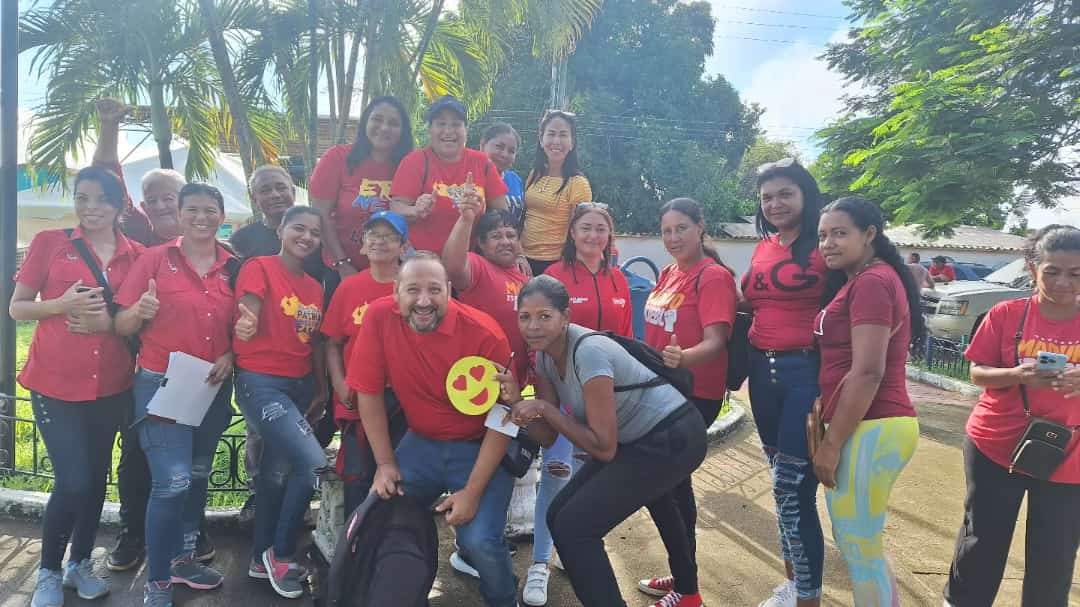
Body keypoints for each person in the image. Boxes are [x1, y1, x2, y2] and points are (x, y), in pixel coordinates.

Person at [499, 275, 708, 607]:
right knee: (558, 516)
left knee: (575, 527)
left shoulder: (589, 352)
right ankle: (687, 589)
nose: (533, 326)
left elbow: (603, 447)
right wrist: (514, 402)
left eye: (544, 316)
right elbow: (548, 436)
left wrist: (543, 408)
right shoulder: (543, 357)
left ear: (565, 317)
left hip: (673, 435)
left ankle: (685, 590)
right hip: (636, 439)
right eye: (525, 317)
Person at [346, 253, 519, 607]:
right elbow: (368, 392)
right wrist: (384, 464)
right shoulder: (379, 317)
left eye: (434, 290)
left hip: (478, 446)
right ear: (396, 293)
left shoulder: (484, 333)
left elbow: (505, 416)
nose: (423, 301)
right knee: (380, 515)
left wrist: (472, 492)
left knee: (480, 541)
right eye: (413, 290)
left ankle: (503, 598)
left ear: (449, 291)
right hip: (420, 442)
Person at [12, 167, 142, 607]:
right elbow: (17, 308)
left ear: (119, 204)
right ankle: (48, 571)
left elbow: (139, 318)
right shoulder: (51, 243)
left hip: (112, 384)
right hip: (55, 383)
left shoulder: (137, 254)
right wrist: (60, 304)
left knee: (96, 477)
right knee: (73, 480)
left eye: (101, 199)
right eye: (82, 198)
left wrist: (119, 319)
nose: (90, 208)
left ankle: (80, 563)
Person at [115, 183, 238, 607]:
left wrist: (230, 353)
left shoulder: (234, 266)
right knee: (172, 482)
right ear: (180, 215)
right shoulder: (154, 259)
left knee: (198, 474)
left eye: (210, 209)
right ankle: (158, 580)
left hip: (212, 385)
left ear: (222, 214)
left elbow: (243, 326)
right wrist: (138, 312)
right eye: (193, 210)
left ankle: (183, 560)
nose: (201, 217)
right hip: (162, 383)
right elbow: (121, 323)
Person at [943, 225, 1080, 607]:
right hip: (996, 444)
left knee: (1055, 550)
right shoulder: (1007, 314)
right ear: (1033, 268)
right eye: (1052, 271)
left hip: (1071, 455)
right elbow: (977, 372)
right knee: (983, 537)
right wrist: (1017, 374)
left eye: (1075, 273)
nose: (1063, 282)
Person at [90, 99, 188, 572]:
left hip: (196, 372)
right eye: (154, 198)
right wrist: (109, 126)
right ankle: (133, 533)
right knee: (137, 453)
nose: (163, 204)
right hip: (142, 368)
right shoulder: (140, 237)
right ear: (143, 207)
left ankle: (188, 534)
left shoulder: (217, 249)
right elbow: (106, 180)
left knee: (190, 456)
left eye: (171, 197)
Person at [813, 196, 923, 606]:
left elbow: (868, 371)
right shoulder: (863, 280)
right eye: (823, 235)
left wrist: (831, 443)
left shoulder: (873, 283)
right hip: (868, 426)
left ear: (870, 234)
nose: (828, 243)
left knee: (859, 548)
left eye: (840, 233)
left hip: (872, 425)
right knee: (861, 545)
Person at [637, 198, 737, 604]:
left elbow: (717, 340)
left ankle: (688, 590)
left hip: (695, 394)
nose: (673, 237)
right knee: (677, 485)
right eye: (667, 230)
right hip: (665, 390)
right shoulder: (668, 273)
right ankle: (683, 578)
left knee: (656, 483)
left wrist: (682, 358)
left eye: (682, 228)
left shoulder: (713, 277)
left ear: (700, 227)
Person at [741, 158, 828, 607]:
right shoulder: (764, 247)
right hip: (762, 374)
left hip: (805, 374)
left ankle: (808, 595)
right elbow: (749, 302)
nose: (775, 204)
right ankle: (794, 585)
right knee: (780, 482)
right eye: (767, 197)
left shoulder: (825, 245)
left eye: (785, 194)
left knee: (792, 488)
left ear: (805, 196)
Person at [232, 206, 328, 599]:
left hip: (300, 386)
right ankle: (282, 552)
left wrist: (321, 388)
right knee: (313, 463)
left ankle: (260, 557)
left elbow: (315, 342)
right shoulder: (259, 267)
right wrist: (247, 323)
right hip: (262, 382)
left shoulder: (315, 287)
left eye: (314, 233)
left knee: (275, 474)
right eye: (298, 228)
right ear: (282, 230)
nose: (306, 237)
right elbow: (248, 309)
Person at [229, 164, 323, 526]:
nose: (274, 194)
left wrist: (320, 385)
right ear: (255, 198)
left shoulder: (314, 260)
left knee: (284, 458)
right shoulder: (246, 245)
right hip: (261, 372)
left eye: (281, 187)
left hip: (301, 368)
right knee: (269, 443)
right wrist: (246, 322)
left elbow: (316, 328)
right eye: (265, 189)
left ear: (293, 191)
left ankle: (274, 530)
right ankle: (264, 510)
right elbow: (242, 299)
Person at [322, 210, 410, 513]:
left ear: (403, 246)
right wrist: (339, 383)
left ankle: (394, 538)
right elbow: (333, 343)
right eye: (373, 235)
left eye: (389, 236)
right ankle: (356, 539)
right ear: (362, 244)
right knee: (358, 478)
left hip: (403, 400)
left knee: (400, 477)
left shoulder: (413, 287)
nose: (380, 242)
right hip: (357, 398)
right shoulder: (349, 287)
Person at [308, 95, 413, 289]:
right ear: (365, 122)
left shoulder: (410, 165)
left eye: (393, 123)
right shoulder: (337, 158)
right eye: (377, 119)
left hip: (393, 272)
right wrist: (342, 264)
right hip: (341, 270)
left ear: (403, 131)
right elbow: (321, 214)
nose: (384, 128)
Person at [390, 95, 509, 254]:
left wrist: (518, 254)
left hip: (467, 259)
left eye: (456, 124)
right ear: (430, 130)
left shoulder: (482, 163)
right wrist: (415, 211)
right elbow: (395, 208)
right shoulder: (414, 161)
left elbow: (503, 215)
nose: (448, 131)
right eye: (441, 124)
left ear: (466, 130)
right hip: (420, 258)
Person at [442, 204, 529, 381]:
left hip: (518, 378)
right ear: (481, 243)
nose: (505, 242)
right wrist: (467, 219)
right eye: (496, 236)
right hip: (480, 377)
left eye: (511, 235)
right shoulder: (478, 266)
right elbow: (453, 267)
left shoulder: (527, 280)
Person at [543, 202, 632, 336]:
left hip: (613, 350)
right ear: (573, 233)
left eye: (601, 229)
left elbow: (627, 331)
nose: (593, 235)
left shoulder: (618, 278)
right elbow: (542, 330)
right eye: (586, 228)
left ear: (609, 234)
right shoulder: (553, 276)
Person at [520, 110, 592, 276]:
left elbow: (578, 232)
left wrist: (563, 268)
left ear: (572, 143)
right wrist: (518, 254)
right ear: (541, 139)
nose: (556, 141)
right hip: (523, 261)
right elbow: (524, 217)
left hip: (554, 264)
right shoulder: (535, 174)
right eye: (551, 134)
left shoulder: (578, 183)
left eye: (563, 135)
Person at [479, 122, 525, 227]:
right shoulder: (470, 178)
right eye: (499, 147)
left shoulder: (515, 180)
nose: (505, 154)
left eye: (511, 151)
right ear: (482, 145)